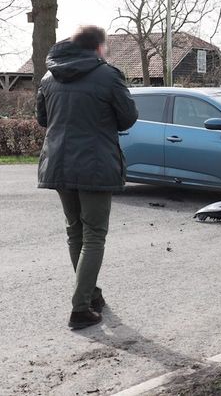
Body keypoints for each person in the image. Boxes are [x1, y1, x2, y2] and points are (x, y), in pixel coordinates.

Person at [36, 25, 138, 330]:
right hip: (94, 163)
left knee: (75, 232)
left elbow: (42, 119)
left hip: (58, 163)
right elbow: (128, 117)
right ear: (98, 48)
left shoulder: (48, 77)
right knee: (94, 234)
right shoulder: (108, 75)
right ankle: (80, 308)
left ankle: (91, 295)